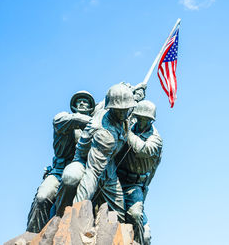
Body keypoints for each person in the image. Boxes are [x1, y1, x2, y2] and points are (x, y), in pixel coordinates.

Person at [54, 83, 144, 218]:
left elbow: (128, 108)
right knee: (72, 179)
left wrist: (136, 95)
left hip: (109, 167)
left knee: (118, 215)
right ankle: (61, 218)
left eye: (126, 108)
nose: (124, 112)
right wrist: (75, 213)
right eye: (120, 110)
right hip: (87, 162)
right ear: (112, 108)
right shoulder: (103, 132)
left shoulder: (124, 114)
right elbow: (92, 175)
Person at [26, 91, 95, 233]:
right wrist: (96, 120)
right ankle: (32, 235)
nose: (81, 103)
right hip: (58, 171)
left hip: (84, 170)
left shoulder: (97, 125)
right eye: (78, 101)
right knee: (42, 197)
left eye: (85, 101)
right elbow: (66, 121)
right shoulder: (63, 118)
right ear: (73, 106)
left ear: (91, 107)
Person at [113, 100, 163, 245]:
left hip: (134, 185)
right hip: (115, 179)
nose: (141, 122)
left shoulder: (156, 139)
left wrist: (126, 131)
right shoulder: (128, 125)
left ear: (151, 120)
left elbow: (142, 150)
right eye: (139, 118)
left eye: (145, 119)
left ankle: (136, 242)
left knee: (135, 215)